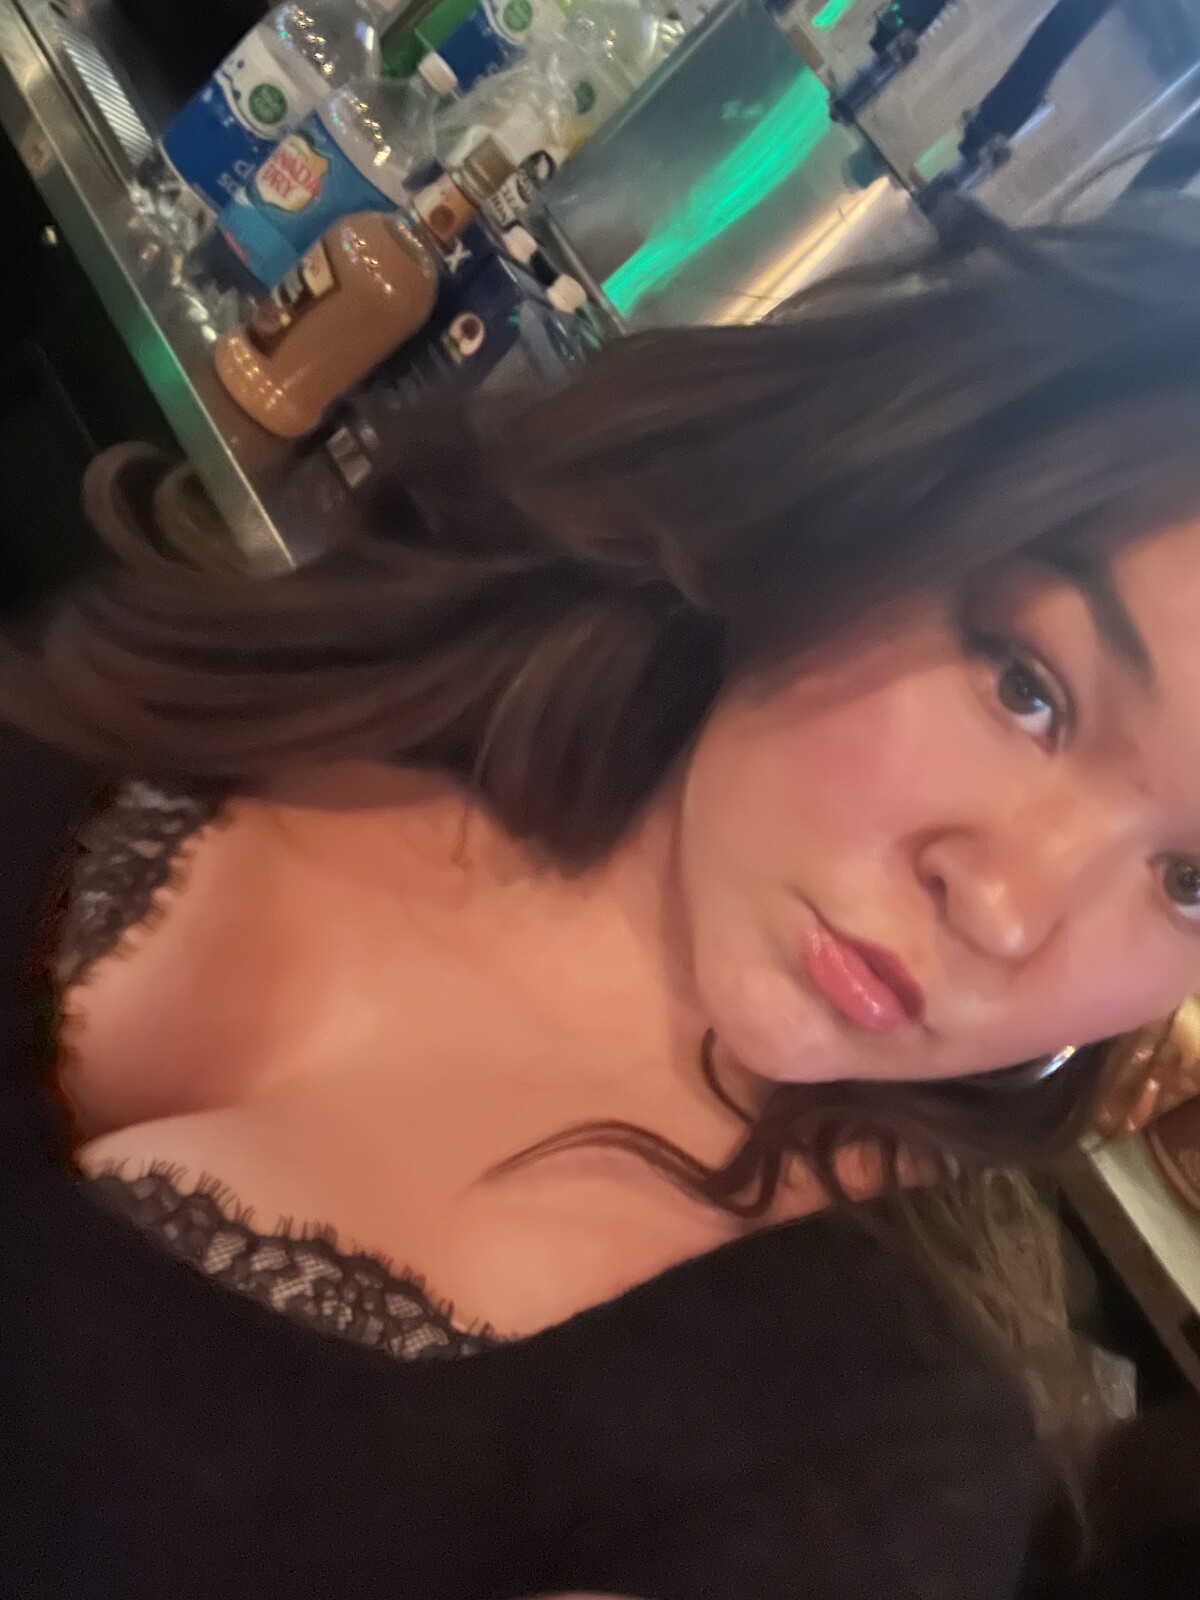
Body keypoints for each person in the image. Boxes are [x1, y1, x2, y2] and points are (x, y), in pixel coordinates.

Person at [6, 194, 1200, 1597]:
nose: (1005, 909)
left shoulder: (854, 1470)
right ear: (877, 497)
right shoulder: (349, 662)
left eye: (1190, 882)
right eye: (1027, 686)